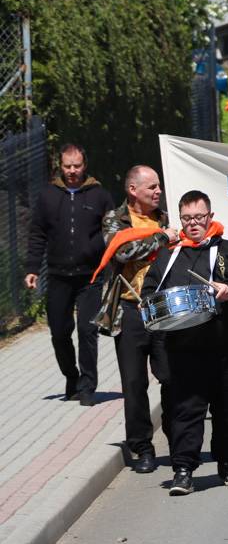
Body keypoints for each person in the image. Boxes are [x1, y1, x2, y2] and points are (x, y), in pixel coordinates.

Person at [142, 190, 228, 495]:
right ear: (181, 219)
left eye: (199, 217)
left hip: (227, 346)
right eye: (188, 218)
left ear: (210, 217)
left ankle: (227, 464)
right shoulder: (169, 255)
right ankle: (183, 469)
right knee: (184, 412)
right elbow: (150, 292)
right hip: (184, 350)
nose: (194, 224)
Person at [95, 165, 178, 473]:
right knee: (134, 383)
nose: (158, 191)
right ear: (133, 190)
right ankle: (141, 447)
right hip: (130, 311)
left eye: (158, 186)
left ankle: (178, 439)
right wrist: (162, 239)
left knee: (170, 377)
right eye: (151, 187)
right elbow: (124, 250)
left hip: (162, 309)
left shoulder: (166, 219)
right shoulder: (116, 220)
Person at [24, 143, 114, 405]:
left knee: (88, 330)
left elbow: (112, 232)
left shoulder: (100, 195)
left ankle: (87, 386)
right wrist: (32, 268)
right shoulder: (48, 196)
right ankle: (71, 376)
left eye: (77, 166)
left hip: (91, 276)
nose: (72, 171)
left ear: (84, 166)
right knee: (59, 332)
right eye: (67, 166)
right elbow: (38, 234)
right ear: (60, 167)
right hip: (58, 275)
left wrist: (102, 254)